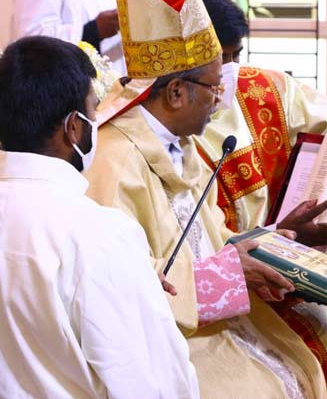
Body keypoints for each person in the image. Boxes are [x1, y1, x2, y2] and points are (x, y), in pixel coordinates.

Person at [86, 0, 327, 397]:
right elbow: (115, 288)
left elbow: (214, 240)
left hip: (222, 319)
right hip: (172, 341)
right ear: (176, 92)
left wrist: (277, 242)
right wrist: (230, 275)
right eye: (213, 84)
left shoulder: (178, 143)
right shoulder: (116, 161)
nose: (225, 92)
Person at [0, 36, 198, 398]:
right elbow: (150, 383)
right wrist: (127, 274)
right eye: (93, 113)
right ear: (73, 127)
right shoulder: (100, 234)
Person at [196, 0, 327, 236]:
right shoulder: (165, 122)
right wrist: (280, 235)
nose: (229, 70)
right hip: (230, 254)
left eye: (236, 55)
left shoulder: (264, 87)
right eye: (219, 58)